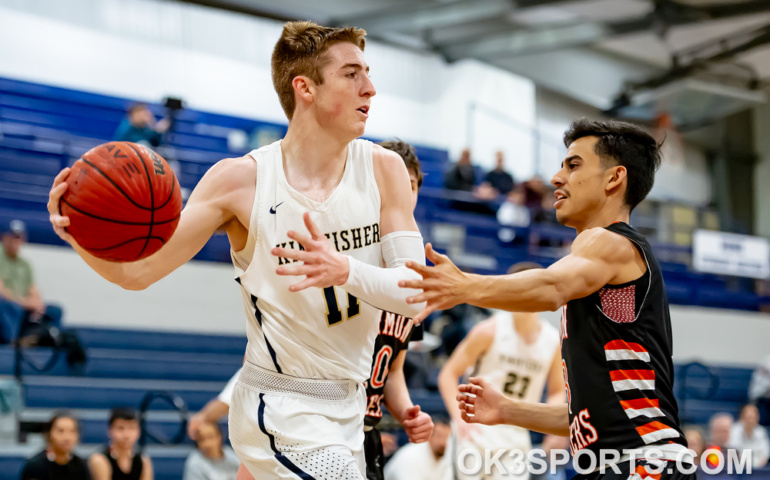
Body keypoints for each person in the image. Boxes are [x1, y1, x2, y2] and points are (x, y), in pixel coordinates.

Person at [49, 20, 426, 480]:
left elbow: (415, 294)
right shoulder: (240, 181)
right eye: (352, 74)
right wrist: (77, 236)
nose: (370, 87)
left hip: (348, 403)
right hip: (278, 402)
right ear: (304, 87)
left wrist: (343, 268)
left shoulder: (385, 170)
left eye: (367, 72)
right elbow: (137, 273)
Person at [401, 119, 694, 478]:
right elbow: (590, 414)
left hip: (644, 462)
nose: (557, 178)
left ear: (614, 179)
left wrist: (463, 286)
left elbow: (550, 288)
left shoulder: (610, 241)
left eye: (573, 165)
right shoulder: (603, 273)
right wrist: (508, 410)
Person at [437, 263, 564, 480]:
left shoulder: (553, 342)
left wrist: (552, 429)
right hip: (478, 431)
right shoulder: (488, 330)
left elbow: (556, 391)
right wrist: (458, 420)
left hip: (516, 435)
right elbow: (447, 375)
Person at [363, 140, 433, 480]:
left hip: (367, 432)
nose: (403, 194)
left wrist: (407, 412)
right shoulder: (342, 259)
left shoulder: (414, 276)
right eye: (389, 183)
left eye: (410, 185)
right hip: (321, 424)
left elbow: (392, 370)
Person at [0, 219, 63, 345]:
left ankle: (44, 340)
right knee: (8, 307)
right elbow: (1, 291)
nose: (16, 241)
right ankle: (12, 343)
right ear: (4, 237)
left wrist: (37, 305)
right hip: (10, 306)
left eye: (19, 238)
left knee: (55, 310)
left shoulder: (25, 264)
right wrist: (24, 303)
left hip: (22, 306)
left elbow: (33, 290)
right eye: (13, 237)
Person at [21, 412, 91, 480]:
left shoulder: (80, 465)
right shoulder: (36, 466)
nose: (67, 437)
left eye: (72, 431)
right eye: (61, 431)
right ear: (49, 434)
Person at [88, 408, 152, 480]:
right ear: (110, 430)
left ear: (139, 432)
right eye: (120, 428)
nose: (126, 435)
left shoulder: (143, 460)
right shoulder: (100, 459)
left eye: (131, 428)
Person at [383, 417, 452, 480]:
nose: (443, 442)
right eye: (439, 436)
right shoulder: (411, 455)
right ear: (429, 437)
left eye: (447, 438)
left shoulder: (446, 456)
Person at [728, 404, 769, 468]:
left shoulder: (761, 431)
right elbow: (733, 452)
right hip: (739, 468)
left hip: (759, 469)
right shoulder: (734, 430)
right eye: (749, 417)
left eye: (754, 417)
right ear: (742, 417)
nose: (751, 421)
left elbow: (765, 455)